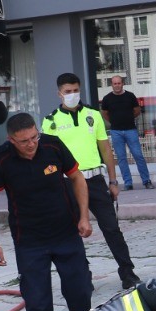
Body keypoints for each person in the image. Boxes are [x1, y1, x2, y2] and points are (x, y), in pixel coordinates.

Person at [0, 112, 94, 311]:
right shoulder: (0, 160)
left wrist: (84, 216)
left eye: (34, 137)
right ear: (11, 140)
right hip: (29, 241)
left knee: (80, 291)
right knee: (37, 300)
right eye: (24, 141)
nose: (32, 144)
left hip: (66, 234)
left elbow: (77, 178)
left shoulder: (52, 145)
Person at [42, 72, 139, 289]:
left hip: (95, 180)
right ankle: (83, 276)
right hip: (67, 183)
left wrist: (113, 182)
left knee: (112, 228)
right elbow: (47, 156)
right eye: (68, 92)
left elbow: (105, 148)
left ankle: (128, 273)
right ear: (59, 94)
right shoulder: (50, 121)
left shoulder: (93, 115)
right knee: (72, 233)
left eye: (76, 91)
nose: (72, 95)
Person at [99, 74, 153, 190]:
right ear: (111, 85)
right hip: (116, 131)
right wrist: (114, 120)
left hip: (130, 130)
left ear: (122, 83)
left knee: (138, 156)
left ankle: (146, 181)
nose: (117, 85)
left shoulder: (130, 96)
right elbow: (104, 113)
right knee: (121, 158)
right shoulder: (107, 98)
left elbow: (137, 111)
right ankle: (128, 183)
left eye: (119, 83)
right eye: (115, 83)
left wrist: (128, 118)